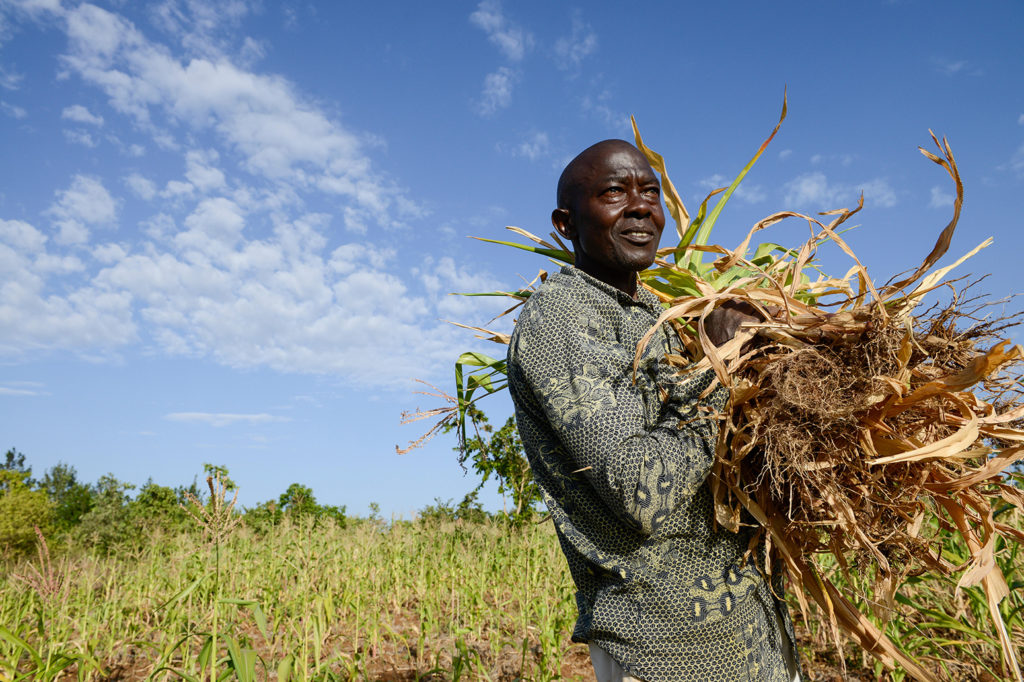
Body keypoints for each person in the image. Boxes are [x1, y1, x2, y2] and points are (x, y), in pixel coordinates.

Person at [506, 139, 801, 682]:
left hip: (751, 638)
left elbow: (715, 462)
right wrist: (720, 365)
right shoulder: (560, 319)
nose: (641, 206)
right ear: (565, 223)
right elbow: (644, 492)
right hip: (666, 650)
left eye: (650, 192)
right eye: (614, 192)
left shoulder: (658, 318)